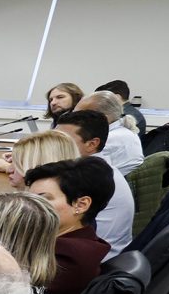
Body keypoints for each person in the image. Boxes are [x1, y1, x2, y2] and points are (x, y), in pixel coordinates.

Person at [25, 157, 115, 294]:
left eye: (43, 199)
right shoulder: (72, 240)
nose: (27, 206)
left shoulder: (69, 257)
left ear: (81, 205)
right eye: (28, 198)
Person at [53, 109, 133, 257]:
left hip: (92, 257)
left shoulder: (90, 176)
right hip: (89, 248)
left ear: (92, 144)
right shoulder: (96, 167)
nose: (53, 145)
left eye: (63, 141)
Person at [75, 90, 144, 174]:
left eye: (80, 116)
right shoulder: (121, 132)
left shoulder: (110, 138)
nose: (74, 120)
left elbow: (77, 167)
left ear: (103, 118)